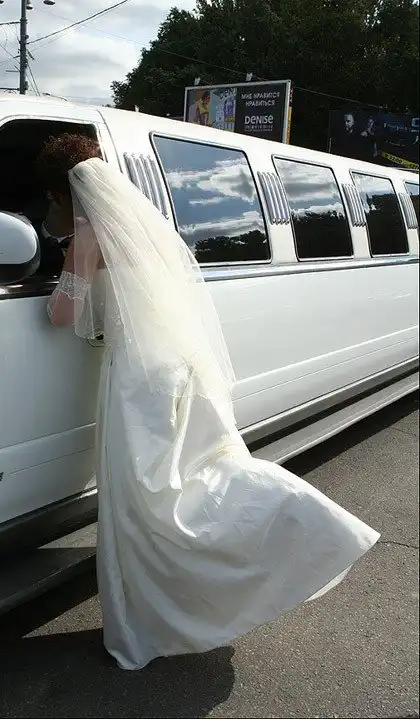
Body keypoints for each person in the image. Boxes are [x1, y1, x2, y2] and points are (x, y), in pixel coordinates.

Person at [47, 157, 380, 671]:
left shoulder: (87, 236)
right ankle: (279, 526)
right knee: (189, 478)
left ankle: (294, 517)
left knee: (143, 501)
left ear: (66, 197)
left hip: (136, 378)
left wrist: (62, 282)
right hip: (177, 367)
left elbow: (63, 314)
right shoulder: (145, 233)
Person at [34, 133, 102, 276]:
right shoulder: (22, 233)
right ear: (53, 196)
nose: (92, 206)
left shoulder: (101, 246)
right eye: (81, 198)